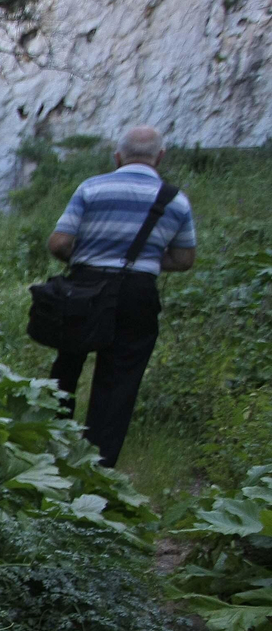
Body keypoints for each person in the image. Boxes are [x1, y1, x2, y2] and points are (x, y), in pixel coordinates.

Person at [46, 125, 196, 467]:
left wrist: (87, 260)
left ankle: (50, 448)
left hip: (84, 286)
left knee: (67, 365)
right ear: (160, 157)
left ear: (117, 157)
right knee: (119, 382)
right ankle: (96, 471)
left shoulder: (92, 188)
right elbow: (185, 259)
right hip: (137, 294)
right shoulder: (175, 199)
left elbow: (59, 243)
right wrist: (143, 263)